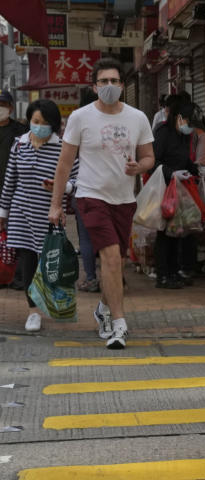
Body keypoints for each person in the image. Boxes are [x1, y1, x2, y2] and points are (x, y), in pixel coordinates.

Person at [48, 58, 155, 350]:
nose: (110, 86)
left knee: (117, 263)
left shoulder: (137, 118)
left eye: (115, 81)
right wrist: (55, 205)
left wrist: (139, 167)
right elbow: (64, 164)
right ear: (94, 87)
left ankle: (103, 309)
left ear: (123, 85)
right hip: (91, 197)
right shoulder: (81, 118)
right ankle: (119, 324)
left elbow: (149, 157)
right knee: (108, 257)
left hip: (124, 200)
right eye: (104, 82)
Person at [0, 100, 78, 332]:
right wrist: (3, 212)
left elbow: (76, 178)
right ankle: (33, 311)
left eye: (45, 123)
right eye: (35, 122)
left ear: (53, 125)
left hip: (49, 214)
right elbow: (10, 181)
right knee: (27, 262)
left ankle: (54, 303)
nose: (39, 127)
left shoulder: (62, 147)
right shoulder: (19, 145)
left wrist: (62, 187)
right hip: (21, 213)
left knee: (49, 262)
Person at [152, 101, 202, 289]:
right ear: (179, 118)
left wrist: (196, 169)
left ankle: (173, 272)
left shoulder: (184, 136)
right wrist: (171, 173)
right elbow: (152, 161)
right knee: (164, 234)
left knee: (176, 232)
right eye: (188, 122)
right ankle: (163, 275)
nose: (190, 127)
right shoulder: (163, 133)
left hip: (179, 189)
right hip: (165, 189)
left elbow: (184, 159)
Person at [2, 90, 31, 290]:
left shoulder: (21, 131)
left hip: (15, 191)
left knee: (16, 235)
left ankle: (19, 277)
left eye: (3, 104)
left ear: (11, 107)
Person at [74, 87, 100, 293]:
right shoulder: (111, 122)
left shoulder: (78, 122)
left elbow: (68, 162)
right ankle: (118, 277)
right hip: (112, 190)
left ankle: (91, 278)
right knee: (113, 237)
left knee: (86, 237)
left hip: (83, 190)